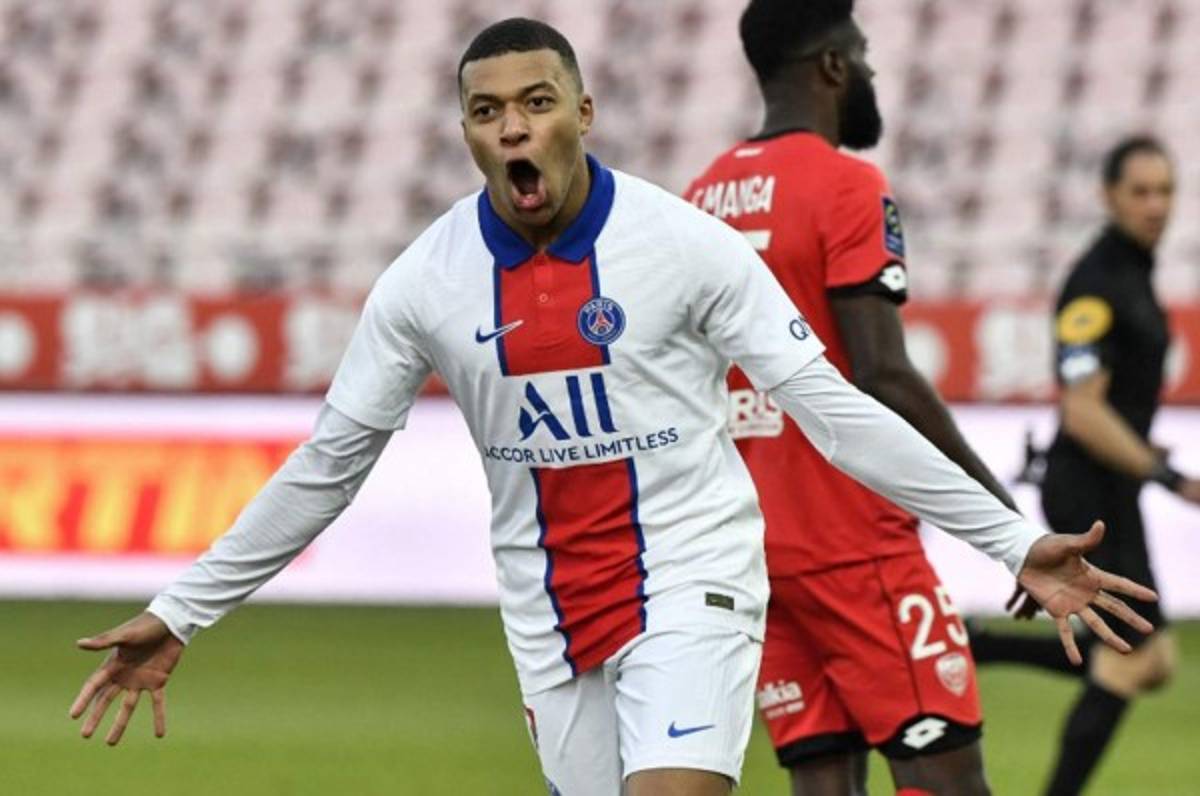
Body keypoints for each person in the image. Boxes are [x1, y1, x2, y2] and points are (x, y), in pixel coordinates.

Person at [68, 18, 1154, 796]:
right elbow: (328, 465)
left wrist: (1010, 540)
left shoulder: (684, 246)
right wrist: (182, 609)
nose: (514, 128)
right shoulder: (423, 284)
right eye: (487, 112)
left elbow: (834, 405)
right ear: (465, 133)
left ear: (582, 112)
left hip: (694, 576)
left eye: (537, 103)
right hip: (549, 612)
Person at [685, 2, 1032, 793]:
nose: (871, 70)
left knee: (824, 782)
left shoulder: (702, 196)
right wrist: (1007, 524)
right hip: (854, 544)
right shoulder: (847, 186)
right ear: (833, 66)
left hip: (755, 552)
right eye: (863, 53)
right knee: (949, 783)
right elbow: (882, 373)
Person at [968, 135, 1200, 796]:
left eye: (1165, 191)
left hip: (1112, 486)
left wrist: (1144, 454)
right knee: (1132, 659)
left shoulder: (1132, 272)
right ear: (1109, 196)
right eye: (1140, 191)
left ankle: (983, 644)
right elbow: (1082, 411)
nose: (1155, 205)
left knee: (1149, 659)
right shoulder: (1097, 282)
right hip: (1087, 492)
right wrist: (1169, 477)